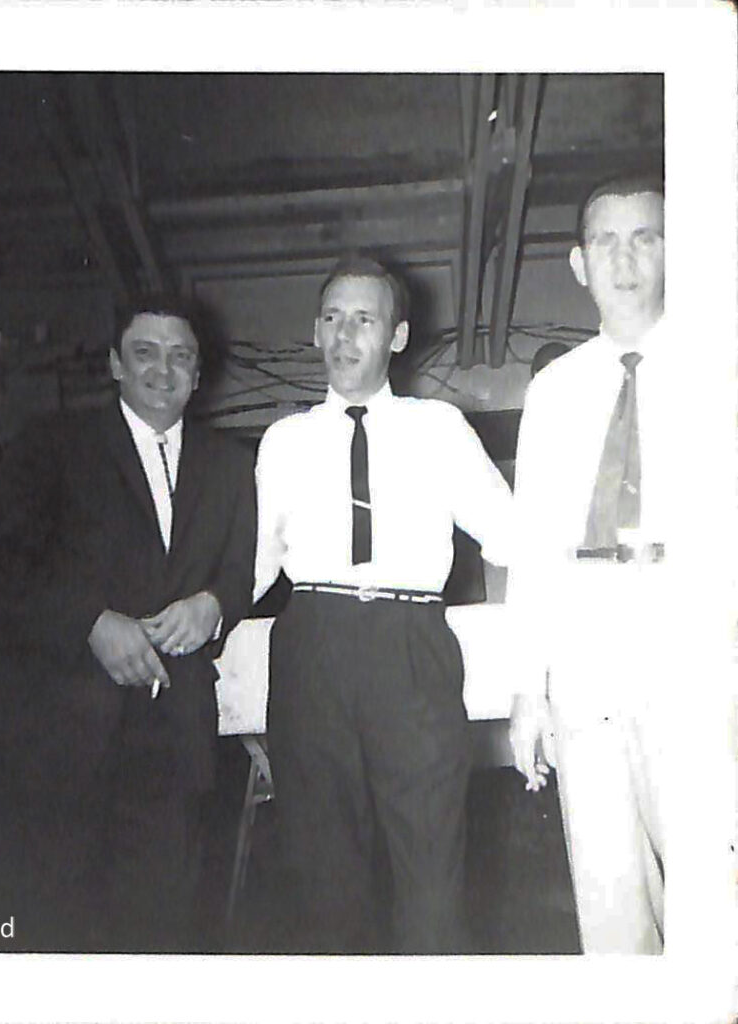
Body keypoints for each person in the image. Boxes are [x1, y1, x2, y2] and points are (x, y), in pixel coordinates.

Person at [0, 293, 256, 951]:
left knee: (156, 943)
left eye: (180, 357)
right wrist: (87, 621)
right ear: (115, 363)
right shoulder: (52, 445)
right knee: (48, 943)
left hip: (169, 752)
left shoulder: (231, 467)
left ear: (199, 374)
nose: (162, 371)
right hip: (51, 748)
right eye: (144, 353)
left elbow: (237, 572)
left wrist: (215, 606)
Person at [253, 255, 513, 953]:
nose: (344, 334)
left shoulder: (440, 427)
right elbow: (252, 565)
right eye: (332, 318)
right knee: (322, 871)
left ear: (396, 336)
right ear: (314, 332)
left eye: (363, 319)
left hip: (410, 644)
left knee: (430, 868)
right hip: (312, 642)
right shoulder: (284, 440)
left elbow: (510, 534)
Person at [506, 173, 674, 953]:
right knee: (607, 904)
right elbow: (533, 547)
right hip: (584, 653)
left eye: (644, 235)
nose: (624, 257)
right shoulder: (553, 389)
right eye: (605, 239)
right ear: (578, 264)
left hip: (690, 639)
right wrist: (526, 692)